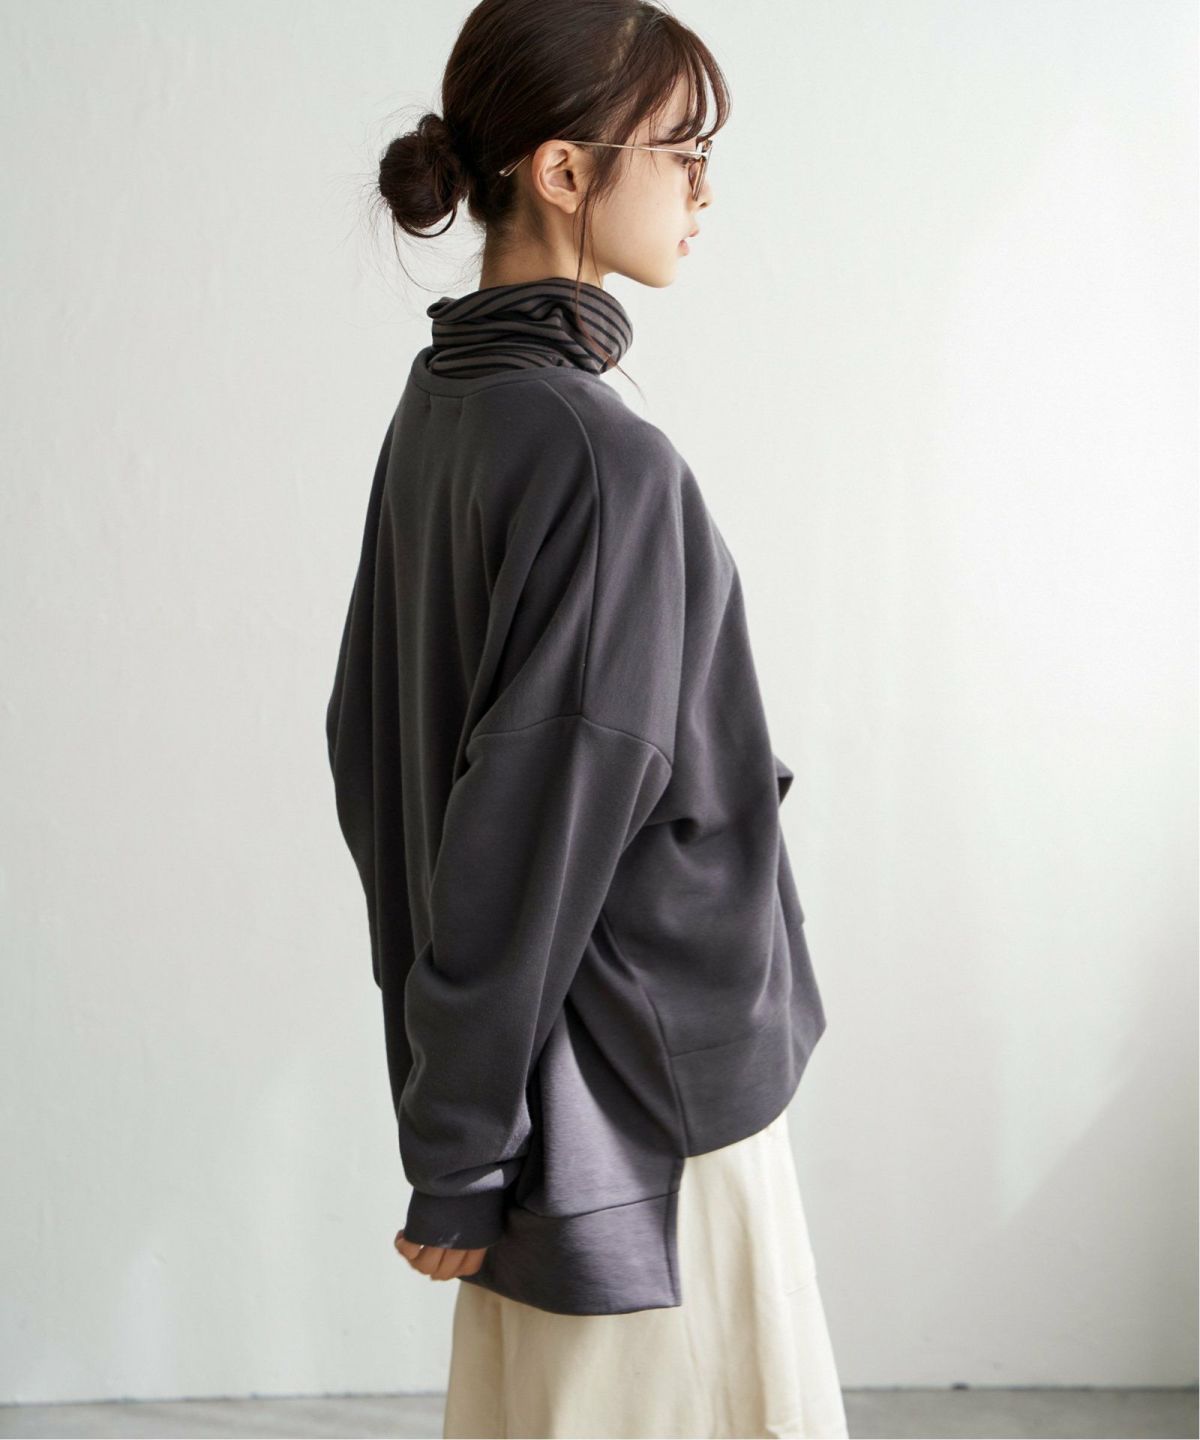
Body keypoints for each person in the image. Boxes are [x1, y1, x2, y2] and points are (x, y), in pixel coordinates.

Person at [325, 0, 849, 1434]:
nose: (704, 190)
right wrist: (458, 1148)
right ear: (565, 172)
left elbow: (371, 754)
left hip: (543, 1084)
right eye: (682, 151)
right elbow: (530, 813)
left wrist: (458, 1109)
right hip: (637, 1105)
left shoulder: (448, 402)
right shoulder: (600, 455)